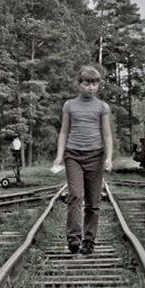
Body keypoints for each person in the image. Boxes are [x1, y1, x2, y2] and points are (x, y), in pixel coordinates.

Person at [53, 65, 113, 255]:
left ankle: (89, 240)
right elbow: (63, 132)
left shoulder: (102, 107)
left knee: (93, 203)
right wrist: (59, 156)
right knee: (75, 196)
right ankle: (73, 238)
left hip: (95, 156)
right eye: (87, 83)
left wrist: (109, 158)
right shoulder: (69, 105)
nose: (91, 87)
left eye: (94, 83)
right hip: (74, 155)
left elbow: (107, 135)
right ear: (79, 84)